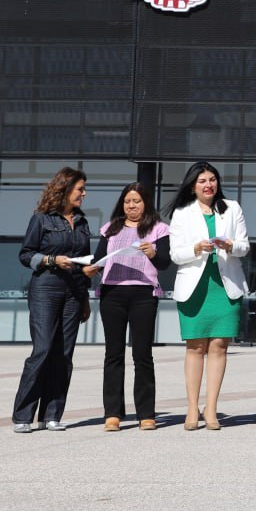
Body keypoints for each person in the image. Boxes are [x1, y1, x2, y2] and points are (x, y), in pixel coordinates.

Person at [12, 167, 98, 433]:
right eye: (80, 189)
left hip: (74, 292)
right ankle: (23, 414)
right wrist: (50, 260)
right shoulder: (42, 219)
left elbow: (83, 259)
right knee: (43, 349)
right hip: (45, 289)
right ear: (64, 188)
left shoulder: (82, 222)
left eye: (84, 189)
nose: (84, 194)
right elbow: (26, 255)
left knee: (64, 354)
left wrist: (86, 285)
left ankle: (52, 414)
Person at [167, 161, 250, 431]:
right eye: (202, 180)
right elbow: (175, 254)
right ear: (193, 185)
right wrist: (196, 248)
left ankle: (211, 407)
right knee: (195, 347)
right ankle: (192, 407)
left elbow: (245, 246)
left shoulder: (232, 208)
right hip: (195, 285)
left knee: (218, 346)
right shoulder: (182, 213)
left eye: (212, 179)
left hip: (225, 286)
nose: (208, 184)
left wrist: (229, 244)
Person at [96, 182, 171, 432]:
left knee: (142, 353)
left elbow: (164, 263)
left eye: (137, 201)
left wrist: (152, 253)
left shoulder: (159, 229)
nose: (131, 206)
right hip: (112, 293)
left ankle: (146, 413)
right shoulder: (110, 229)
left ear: (146, 203)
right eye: (127, 201)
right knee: (113, 354)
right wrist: (89, 267)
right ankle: (113, 413)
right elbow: (97, 260)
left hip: (143, 294)